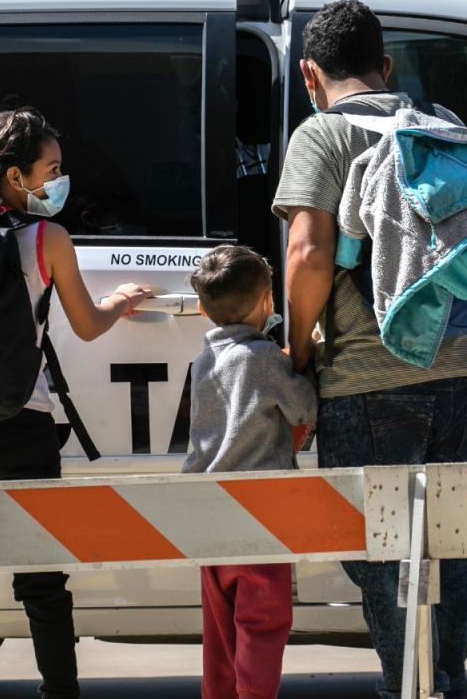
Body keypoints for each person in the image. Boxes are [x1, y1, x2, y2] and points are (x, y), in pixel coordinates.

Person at [271, 0, 467, 699]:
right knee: (445, 548)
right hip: (453, 371)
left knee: (385, 556)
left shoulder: (323, 134)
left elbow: (306, 253)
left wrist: (298, 352)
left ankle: (408, 688)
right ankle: (443, 681)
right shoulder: (445, 127)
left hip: (365, 379)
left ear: (310, 73)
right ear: (386, 65)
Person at [0, 106, 152, 699]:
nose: (60, 180)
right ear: (17, 176)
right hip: (23, 421)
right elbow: (87, 325)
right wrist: (121, 299)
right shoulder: (46, 238)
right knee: (42, 583)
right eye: (53, 168)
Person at [184, 244, 317, 699]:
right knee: (262, 622)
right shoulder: (264, 358)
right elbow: (302, 409)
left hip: (207, 507)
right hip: (260, 510)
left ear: (203, 309)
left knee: (219, 631)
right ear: (267, 301)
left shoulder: (203, 362)